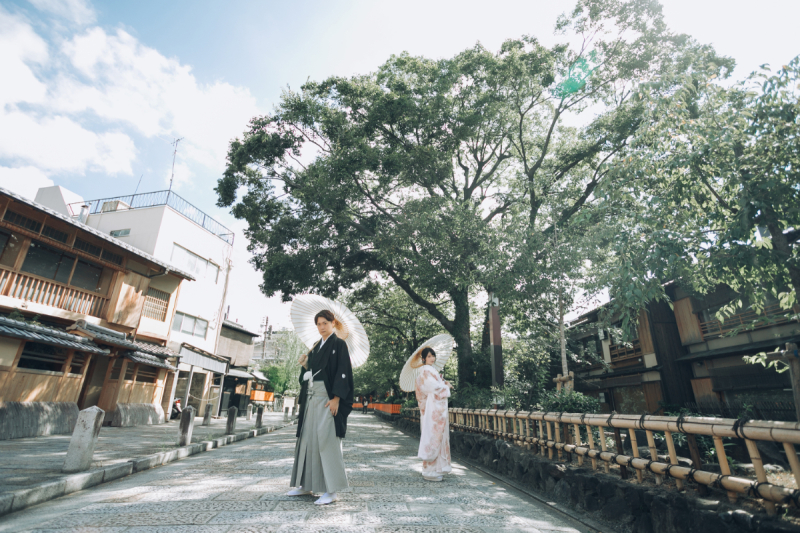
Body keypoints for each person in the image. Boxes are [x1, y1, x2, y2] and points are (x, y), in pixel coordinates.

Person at [288, 309, 354, 505]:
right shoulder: (316, 346)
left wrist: (336, 398)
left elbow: (343, 372)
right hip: (311, 398)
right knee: (308, 439)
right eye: (318, 324)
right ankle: (306, 485)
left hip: (327, 398)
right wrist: (305, 365)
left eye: (325, 323)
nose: (321, 327)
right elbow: (313, 372)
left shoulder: (339, 344)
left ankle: (331, 490)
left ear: (333, 323)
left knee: (326, 440)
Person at [413, 347, 452, 482]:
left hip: (431, 408)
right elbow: (432, 387)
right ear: (423, 358)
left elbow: (434, 385)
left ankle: (436, 469)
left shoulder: (429, 371)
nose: (432, 358)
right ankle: (430, 471)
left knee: (436, 437)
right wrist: (445, 387)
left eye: (433, 356)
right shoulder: (426, 371)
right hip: (432, 410)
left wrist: (443, 382)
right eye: (429, 356)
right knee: (433, 437)